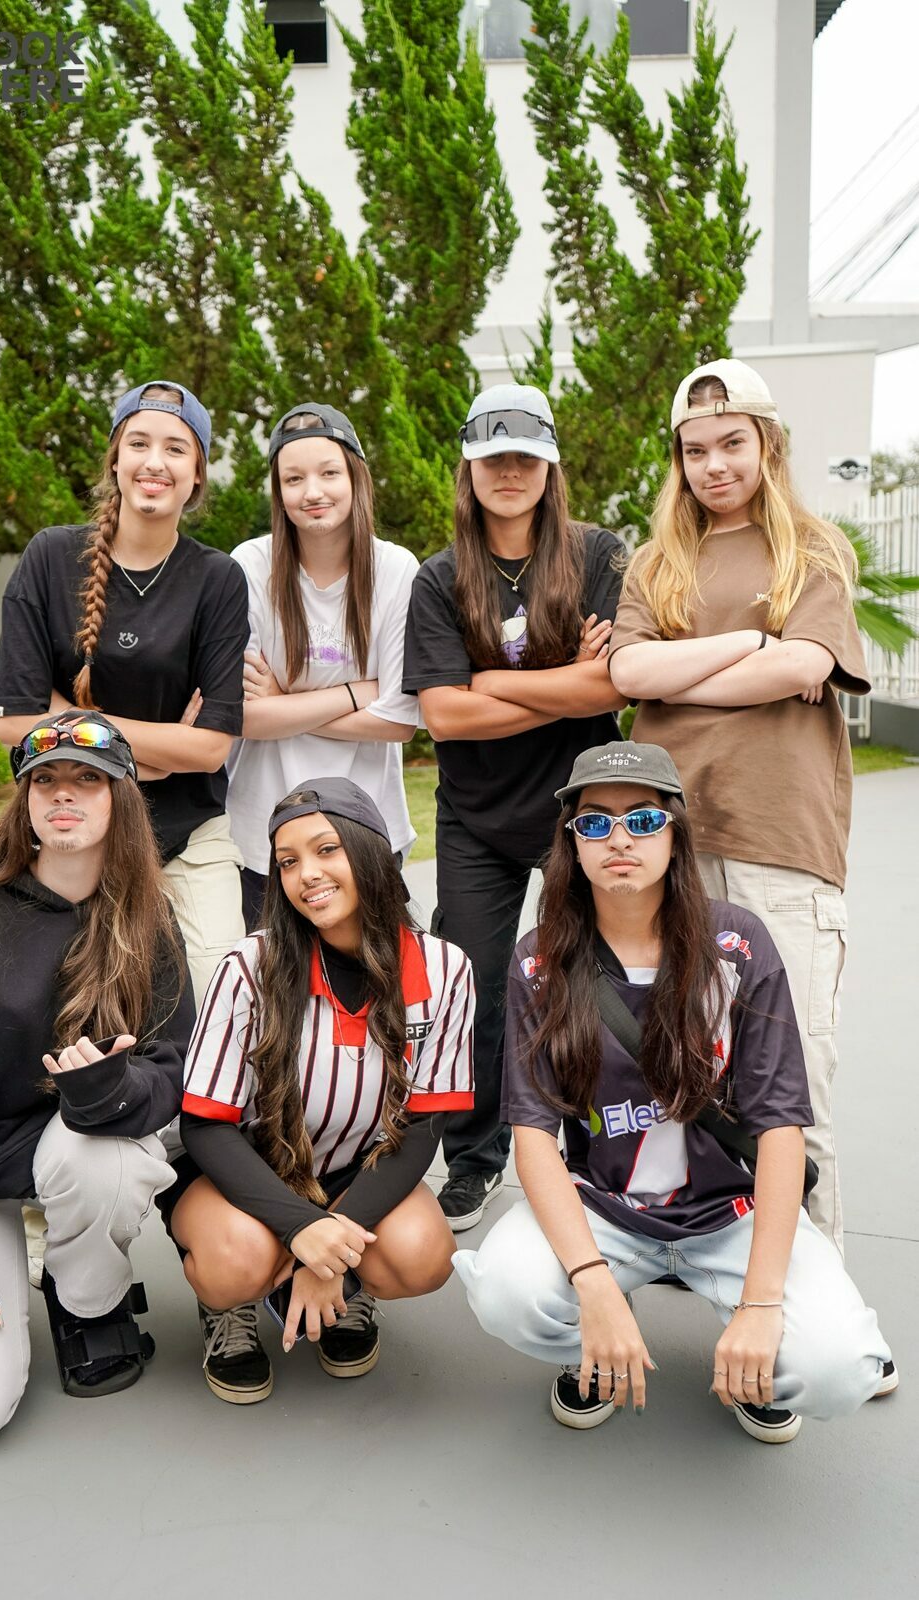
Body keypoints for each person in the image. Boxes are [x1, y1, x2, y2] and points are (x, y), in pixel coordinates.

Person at [454, 741, 891, 1443]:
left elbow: (781, 1128)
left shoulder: (737, 944)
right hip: (605, 1208)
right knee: (507, 1294)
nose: (619, 838)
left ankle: (755, 1366)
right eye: (594, 823)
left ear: (675, 833)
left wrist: (761, 1305)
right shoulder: (541, 958)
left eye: (642, 819)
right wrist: (591, 1283)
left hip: (731, 1213)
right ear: (571, 843)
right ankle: (598, 1343)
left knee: (836, 1371)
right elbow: (532, 1135)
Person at [608, 359, 870, 1257]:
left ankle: (817, 1300)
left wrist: (681, 675)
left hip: (778, 845)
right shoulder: (655, 564)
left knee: (793, 1088)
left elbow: (805, 666)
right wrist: (754, 642)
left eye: (731, 444)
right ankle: (721, 1275)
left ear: (768, 445)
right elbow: (627, 670)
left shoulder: (812, 549)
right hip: (668, 847)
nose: (713, 465)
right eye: (694, 451)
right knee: (677, 1080)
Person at [0, 712, 195, 1448]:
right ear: (24, 800)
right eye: (44, 779)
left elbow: (174, 1068)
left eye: (88, 779)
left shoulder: (147, 916)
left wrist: (113, 1095)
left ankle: (86, 1302)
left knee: (104, 1156)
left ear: (120, 800)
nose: (64, 793)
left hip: (78, 1151)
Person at [163, 777, 474, 1405]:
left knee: (422, 1255)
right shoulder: (248, 967)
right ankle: (231, 1306)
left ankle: (341, 1287)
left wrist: (331, 1242)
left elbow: (422, 1126)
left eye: (326, 849)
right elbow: (205, 1125)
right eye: (287, 861)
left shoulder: (444, 968)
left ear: (370, 851)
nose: (306, 874)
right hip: (243, 1175)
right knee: (236, 1262)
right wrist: (301, 1228)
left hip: (356, 1169)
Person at [402, 382, 627, 1232]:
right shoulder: (438, 578)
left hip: (582, 805)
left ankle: (606, 1155)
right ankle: (474, 1159)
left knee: (598, 982)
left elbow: (611, 687)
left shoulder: (598, 555)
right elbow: (443, 716)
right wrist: (563, 683)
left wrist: (492, 682)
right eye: (492, 457)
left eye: (524, 457)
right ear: (467, 468)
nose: (508, 471)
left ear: (549, 465)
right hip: (476, 815)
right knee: (474, 986)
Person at [0, 380, 248, 1008]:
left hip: (187, 835)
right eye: (139, 443)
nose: (155, 462)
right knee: (63, 1007)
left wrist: (71, 719)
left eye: (176, 449)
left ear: (197, 475)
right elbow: (12, 721)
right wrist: (151, 754)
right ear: (115, 460)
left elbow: (210, 749)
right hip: (70, 832)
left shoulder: (217, 579)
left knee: (223, 997)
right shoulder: (50, 558)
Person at [226, 402, 419, 933]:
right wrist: (358, 692)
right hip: (264, 836)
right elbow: (243, 716)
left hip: (367, 829)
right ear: (278, 490)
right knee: (274, 980)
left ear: (355, 478)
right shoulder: (250, 566)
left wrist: (284, 703)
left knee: (373, 979)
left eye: (329, 473)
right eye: (294, 479)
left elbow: (400, 720)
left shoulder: (395, 569)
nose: (312, 492)